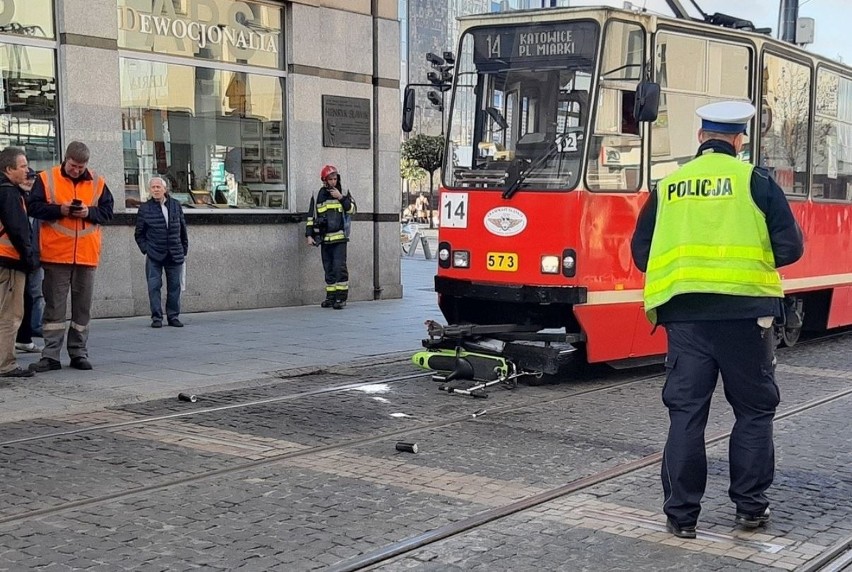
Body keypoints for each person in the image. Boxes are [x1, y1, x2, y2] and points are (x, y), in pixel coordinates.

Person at [631, 101, 804, 539]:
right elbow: (791, 247)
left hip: (685, 319)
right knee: (753, 411)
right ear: (739, 139)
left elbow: (640, 252)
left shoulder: (668, 185)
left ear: (700, 137)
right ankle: (750, 509)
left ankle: (682, 517)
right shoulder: (757, 181)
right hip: (747, 317)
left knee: (686, 414)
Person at [27, 142, 115, 372]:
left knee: (82, 309)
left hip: (86, 255)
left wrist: (89, 212)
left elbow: (107, 212)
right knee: (54, 307)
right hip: (56, 254)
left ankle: (78, 352)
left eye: (81, 166)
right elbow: (33, 207)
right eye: (73, 165)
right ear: (65, 160)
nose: (77, 170)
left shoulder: (98, 181)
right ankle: (51, 355)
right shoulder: (46, 178)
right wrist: (60, 210)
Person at [0, 147, 37, 378]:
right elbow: (18, 229)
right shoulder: (9, 193)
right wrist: (30, 257)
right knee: (10, 315)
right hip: (9, 260)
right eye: (22, 166)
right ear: (8, 169)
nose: (27, 170)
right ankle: (6, 364)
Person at [134, 177, 189, 328]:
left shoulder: (175, 205)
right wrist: (146, 249)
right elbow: (139, 233)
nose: (156, 190)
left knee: (174, 287)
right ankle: (156, 318)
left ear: (165, 189)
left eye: (159, 187)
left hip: (174, 252)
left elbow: (182, 229)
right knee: (154, 285)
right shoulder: (145, 208)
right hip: (154, 254)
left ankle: (173, 316)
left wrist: (183, 248)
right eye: (153, 187)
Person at [306, 164, 355, 309]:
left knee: (339, 267)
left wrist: (341, 197)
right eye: (330, 179)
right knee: (328, 269)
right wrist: (309, 235)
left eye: (335, 178)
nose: (333, 181)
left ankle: (341, 298)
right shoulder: (318, 194)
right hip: (325, 239)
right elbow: (311, 216)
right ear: (324, 180)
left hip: (339, 238)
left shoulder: (344, 192)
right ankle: (331, 297)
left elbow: (352, 210)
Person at [15, 168, 43, 354]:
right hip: (17, 258)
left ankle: (33, 329)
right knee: (18, 298)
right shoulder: (15, 199)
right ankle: (21, 336)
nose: (29, 183)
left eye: (32, 180)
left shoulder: (37, 204)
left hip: (36, 256)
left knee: (35, 294)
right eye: (27, 179)